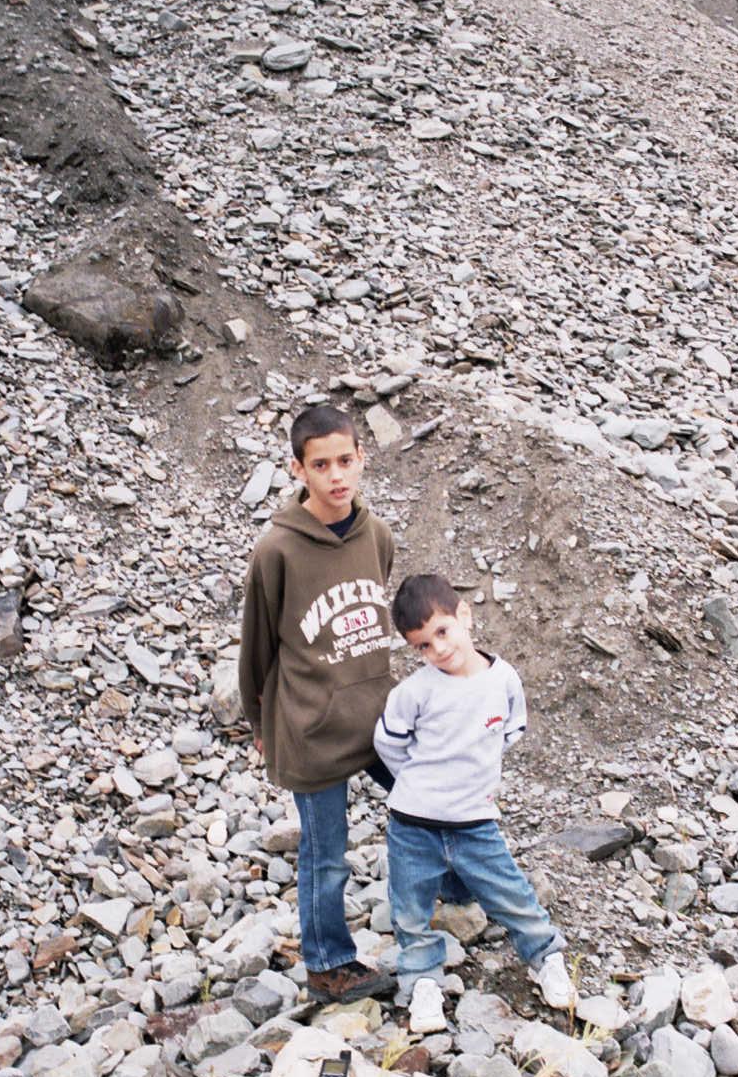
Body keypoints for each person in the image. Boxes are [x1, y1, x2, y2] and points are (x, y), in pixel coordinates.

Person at [238, 404, 399, 1003]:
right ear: (298, 469)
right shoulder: (277, 551)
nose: (336, 476)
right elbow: (257, 644)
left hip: (377, 717)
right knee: (325, 856)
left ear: (362, 459)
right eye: (321, 465)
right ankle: (328, 963)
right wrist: (261, 722)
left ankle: (456, 892)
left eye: (346, 461)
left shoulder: (376, 534)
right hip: (311, 729)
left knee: (430, 796)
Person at [374, 573, 573, 1008]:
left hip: (475, 822)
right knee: (409, 908)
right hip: (413, 825)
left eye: (442, 632)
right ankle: (422, 981)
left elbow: (507, 733)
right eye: (423, 645)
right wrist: (416, 780)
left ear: (464, 615)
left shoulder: (503, 681)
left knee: (512, 893)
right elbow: (388, 743)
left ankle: (546, 957)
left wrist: (472, 776)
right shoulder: (414, 691)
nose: (438, 649)